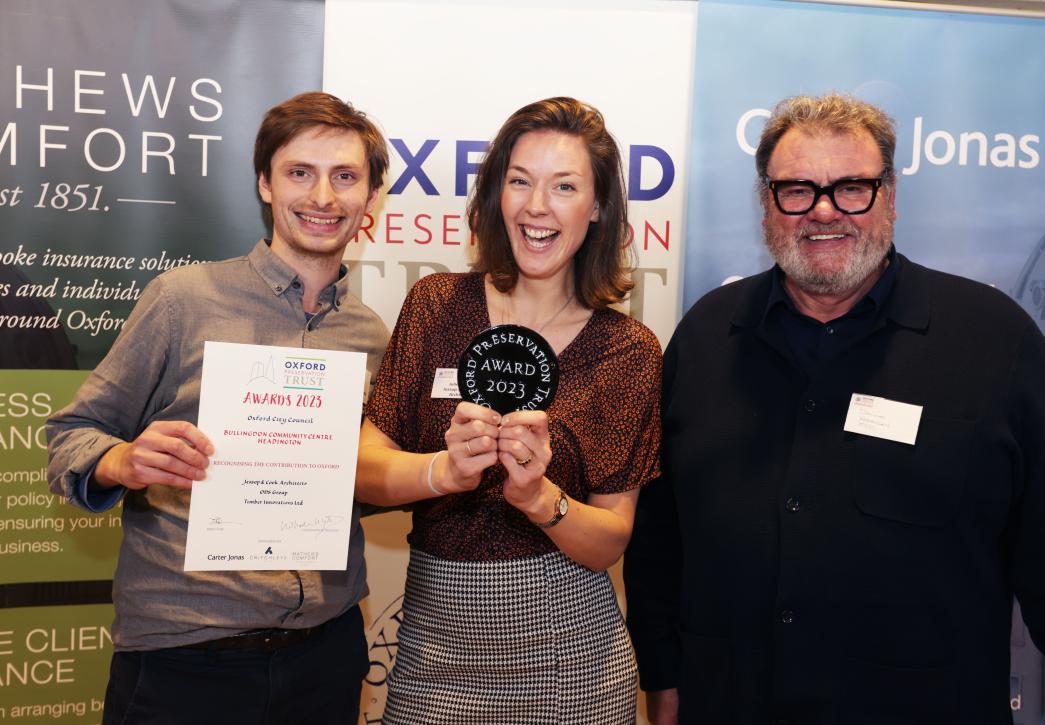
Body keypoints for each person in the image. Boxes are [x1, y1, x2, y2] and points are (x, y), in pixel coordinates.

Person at [623, 92, 1045, 725]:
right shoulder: (707, 337)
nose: (823, 212)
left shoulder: (997, 342)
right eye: (796, 190)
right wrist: (662, 678)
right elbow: (661, 539)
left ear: (892, 197)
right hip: (731, 704)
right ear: (766, 203)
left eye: (853, 188)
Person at [46, 91, 390, 725]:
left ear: (370, 199)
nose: (322, 198)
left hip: (326, 654)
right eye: (299, 173)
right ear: (265, 183)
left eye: (345, 177)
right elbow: (70, 434)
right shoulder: (183, 300)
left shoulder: (370, 335)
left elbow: (364, 480)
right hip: (185, 662)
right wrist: (121, 460)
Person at [357, 97, 661, 724]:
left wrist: (538, 498)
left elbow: (612, 538)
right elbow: (363, 468)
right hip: (433, 653)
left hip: (570, 660)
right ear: (497, 194)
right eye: (519, 181)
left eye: (565, 186)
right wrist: (443, 472)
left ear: (598, 206)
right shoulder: (436, 306)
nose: (536, 206)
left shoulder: (627, 350)